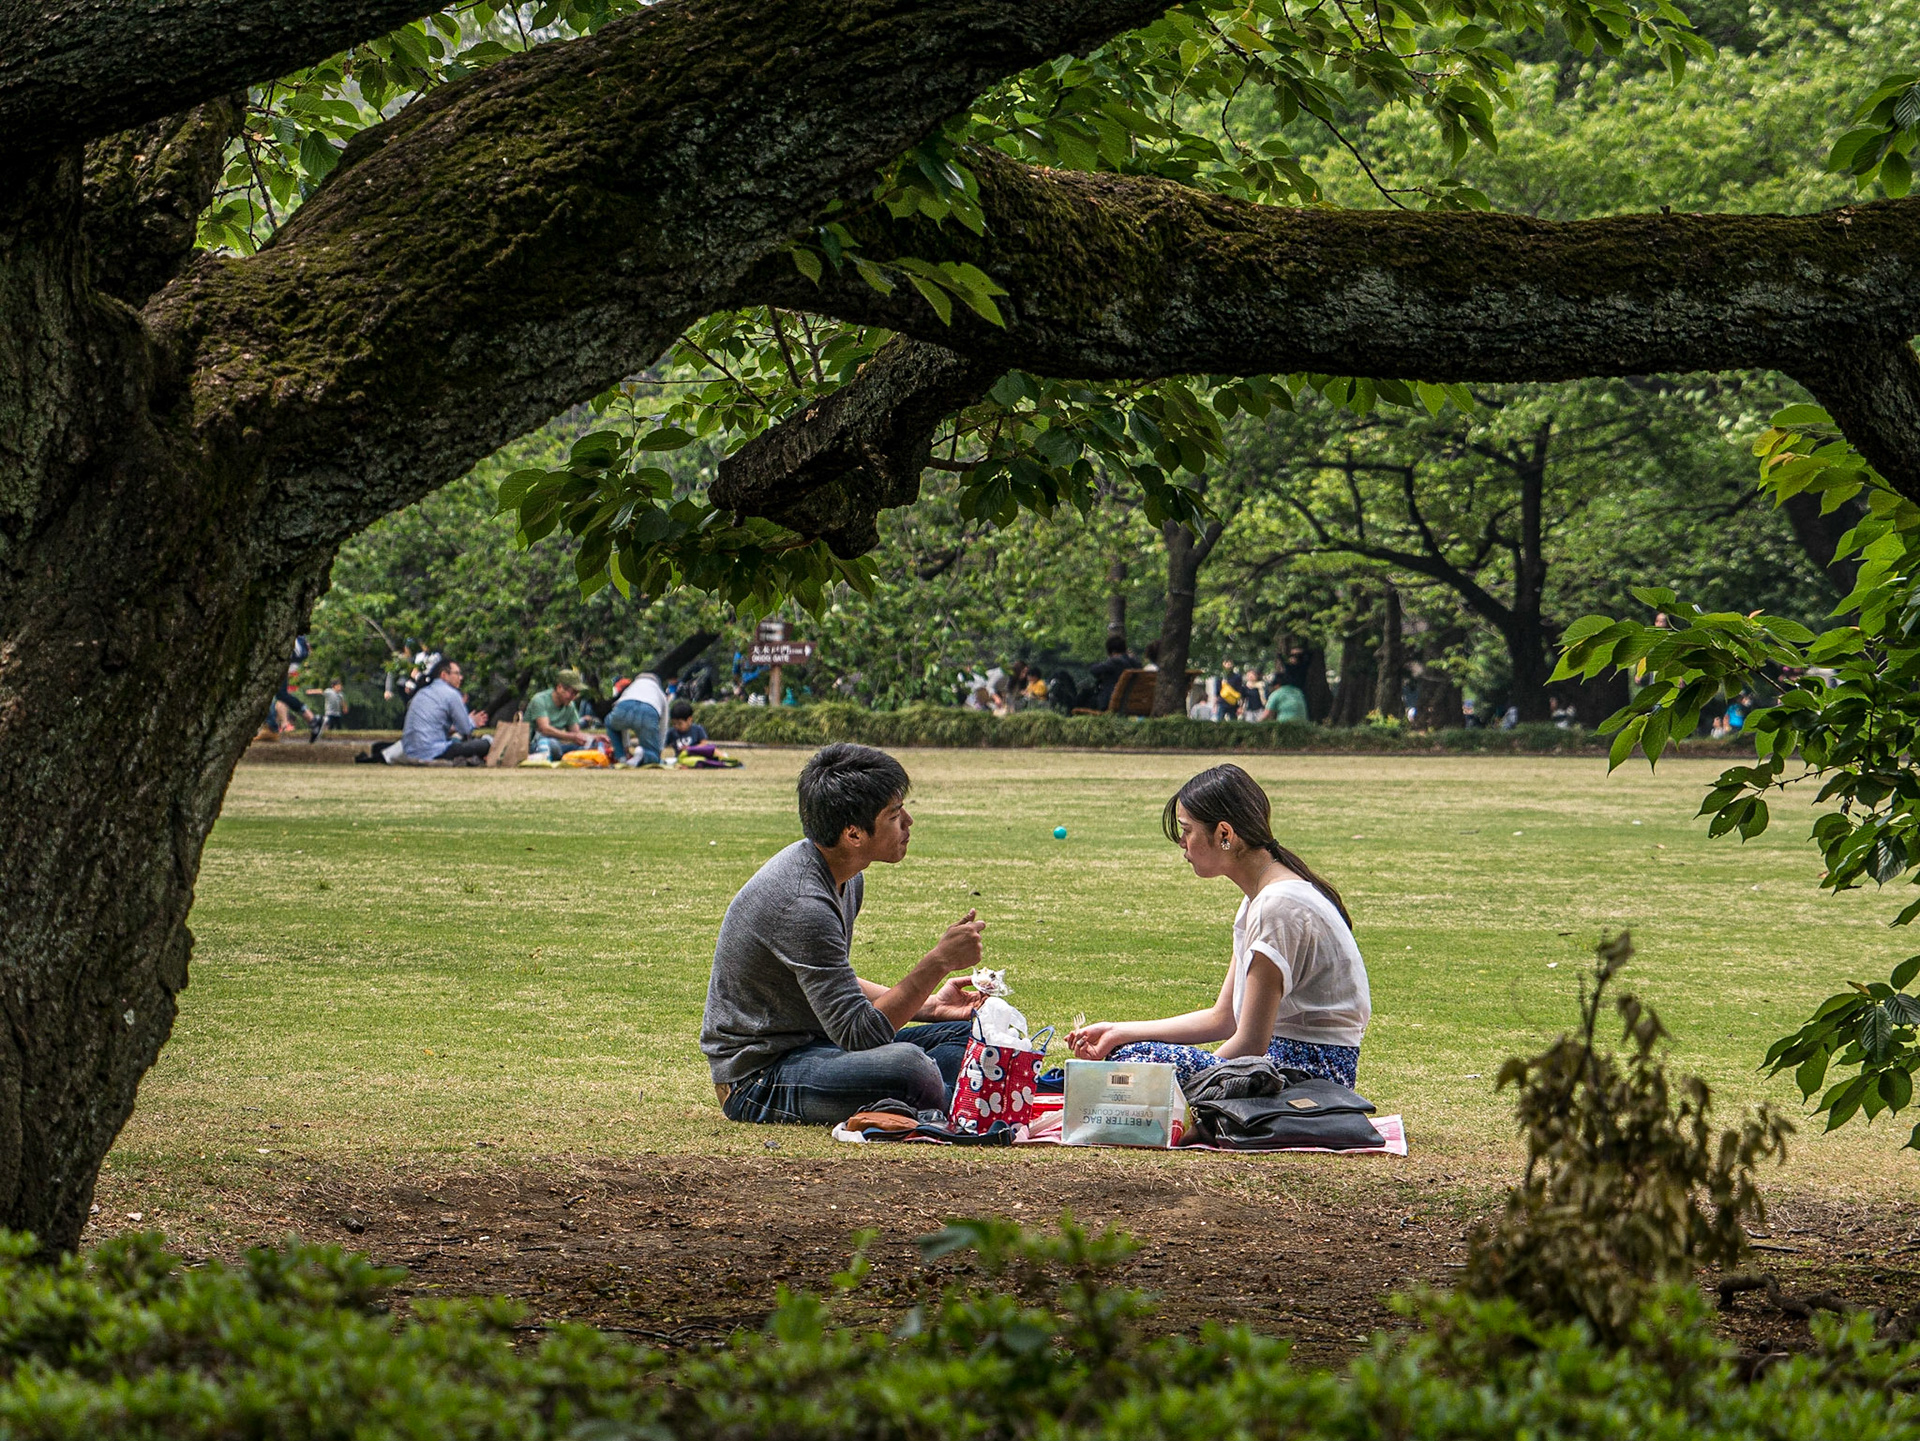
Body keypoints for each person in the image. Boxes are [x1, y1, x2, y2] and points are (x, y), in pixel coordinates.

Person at [702, 743, 987, 1124]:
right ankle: (956, 1099)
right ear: (853, 834)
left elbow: (835, 983)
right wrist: (938, 963)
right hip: (759, 1077)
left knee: (968, 1038)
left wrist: (932, 1007)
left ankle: (943, 1095)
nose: (908, 822)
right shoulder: (803, 903)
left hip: (819, 1046)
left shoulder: (845, 877)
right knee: (910, 1068)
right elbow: (861, 1034)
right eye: (894, 815)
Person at [1067, 764, 1370, 1088]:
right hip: (1287, 1067)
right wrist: (1119, 1032)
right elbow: (1224, 1018)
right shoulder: (1260, 899)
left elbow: (1251, 1044)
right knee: (1128, 1053)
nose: (1182, 842)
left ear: (1224, 834)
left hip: (1305, 1077)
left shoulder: (1276, 906)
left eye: (1187, 830)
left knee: (1134, 1061)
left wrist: (1200, 1088)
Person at [400, 658, 491, 761]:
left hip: (410, 751)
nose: (460, 677)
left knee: (457, 741)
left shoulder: (422, 692)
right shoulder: (451, 694)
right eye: (456, 673)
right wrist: (473, 722)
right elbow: (464, 729)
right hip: (434, 752)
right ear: (444, 675)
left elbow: (435, 726)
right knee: (486, 743)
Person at [527, 668, 594, 760]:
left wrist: (593, 738)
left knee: (590, 747)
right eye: (572, 693)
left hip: (557, 746)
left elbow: (576, 733)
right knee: (549, 744)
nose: (573, 697)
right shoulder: (540, 700)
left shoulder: (570, 706)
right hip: (535, 745)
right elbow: (544, 729)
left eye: (576, 694)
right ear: (559, 688)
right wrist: (573, 737)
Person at [607, 670, 668, 766]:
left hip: (624, 706)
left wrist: (625, 746)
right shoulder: (660, 693)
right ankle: (643, 754)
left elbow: (618, 714)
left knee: (609, 723)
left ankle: (621, 757)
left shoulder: (631, 688)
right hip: (648, 711)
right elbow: (663, 726)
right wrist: (659, 750)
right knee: (653, 757)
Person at [1087, 633, 1140, 711]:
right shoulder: (1136, 663)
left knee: (1084, 697)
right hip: (1132, 701)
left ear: (1112, 651)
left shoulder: (1115, 662)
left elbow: (1093, 670)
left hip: (1111, 702)